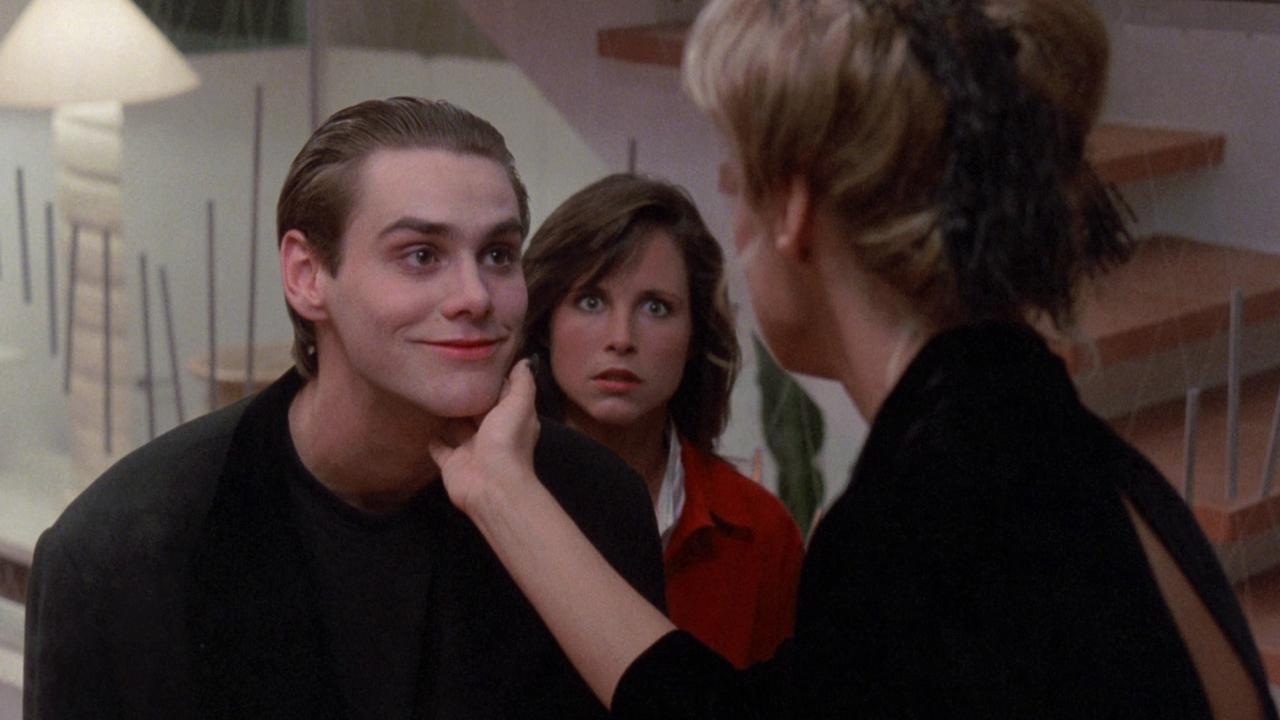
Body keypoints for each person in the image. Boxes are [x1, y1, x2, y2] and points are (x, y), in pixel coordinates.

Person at [428, 1, 1280, 718]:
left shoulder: (940, 512)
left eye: (738, 186)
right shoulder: (1068, 461)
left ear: (794, 208)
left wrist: (503, 493)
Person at [23, 97, 665, 720]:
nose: (475, 295)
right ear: (307, 276)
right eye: (421, 255)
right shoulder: (118, 549)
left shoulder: (596, 504)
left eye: (498, 255)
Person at [521, 173, 805, 668]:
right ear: (545, 321)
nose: (621, 338)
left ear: (695, 335)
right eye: (591, 300)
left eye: (656, 307)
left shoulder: (761, 533)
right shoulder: (483, 495)